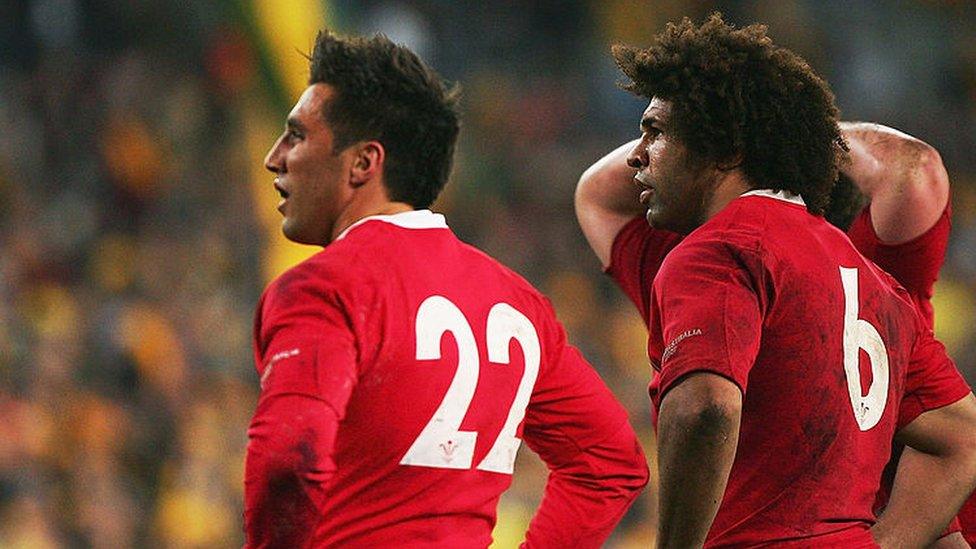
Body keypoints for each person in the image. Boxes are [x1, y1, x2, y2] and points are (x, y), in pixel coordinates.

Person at [574, 14, 976, 548]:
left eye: (655, 131)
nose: (636, 155)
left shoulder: (717, 251)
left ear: (729, 146)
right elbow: (962, 438)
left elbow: (706, 409)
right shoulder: (876, 283)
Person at [243, 30, 649, 548]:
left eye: (296, 136)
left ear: (364, 162)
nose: (274, 158)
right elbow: (610, 465)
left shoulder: (323, 287)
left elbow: (288, 457)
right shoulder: (518, 303)